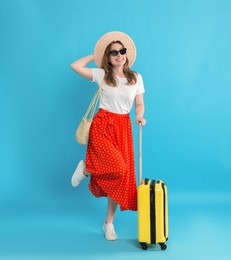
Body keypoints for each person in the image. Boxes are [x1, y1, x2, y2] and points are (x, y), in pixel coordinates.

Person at [70, 31, 146, 241]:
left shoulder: (136, 78)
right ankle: (86, 167)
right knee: (118, 166)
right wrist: (95, 56)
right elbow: (75, 66)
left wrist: (139, 116)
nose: (119, 55)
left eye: (122, 51)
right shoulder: (102, 74)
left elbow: (139, 103)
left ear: (126, 54)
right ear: (108, 57)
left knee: (120, 177)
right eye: (114, 52)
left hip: (123, 126)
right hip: (103, 124)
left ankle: (108, 224)